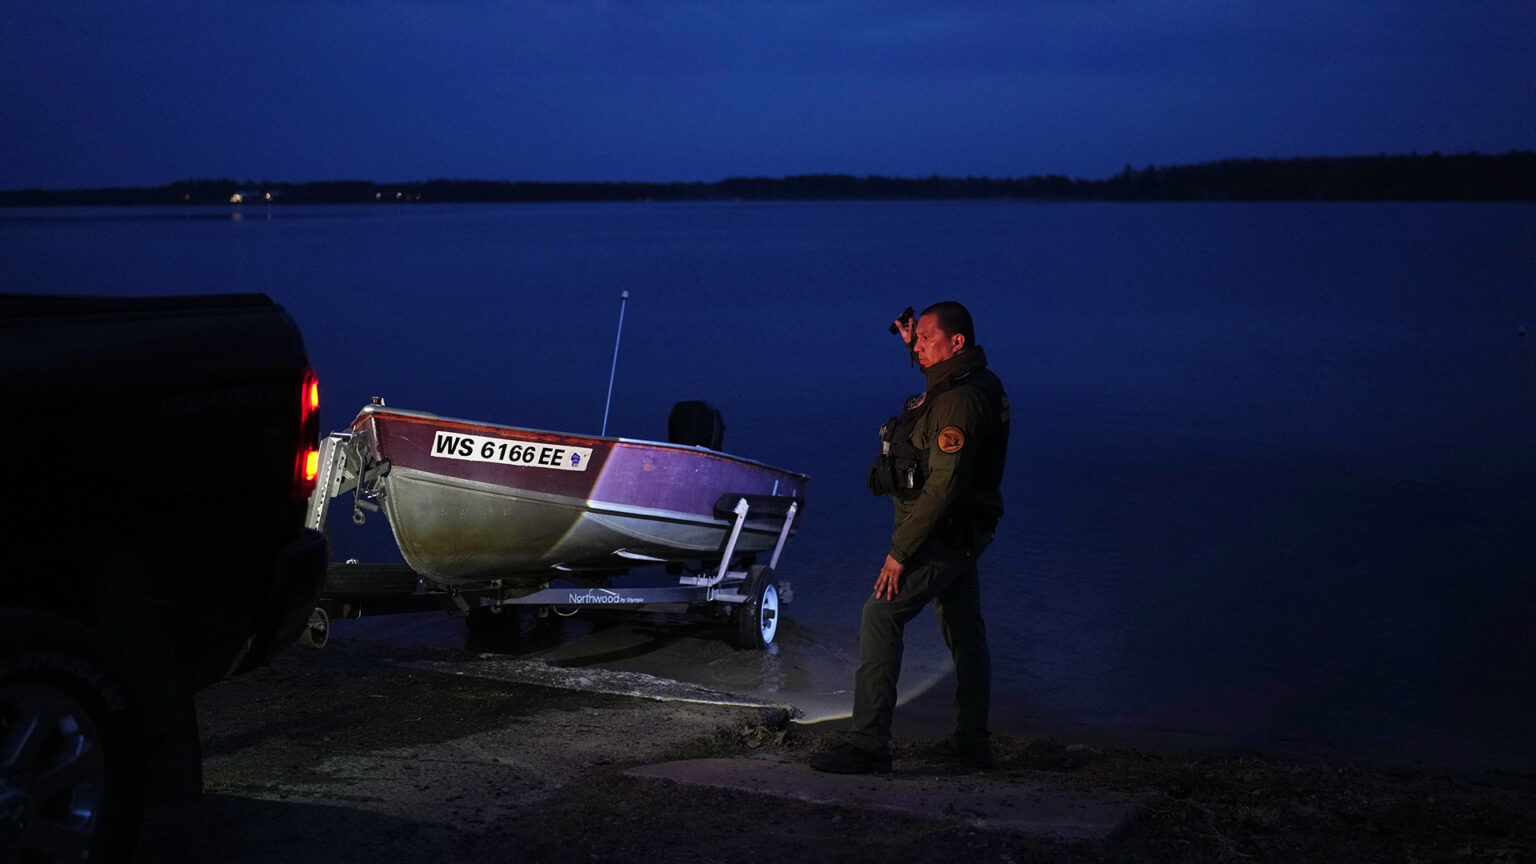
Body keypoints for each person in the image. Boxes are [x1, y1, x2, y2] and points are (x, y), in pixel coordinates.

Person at [811, 301, 1010, 774]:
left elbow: (943, 487)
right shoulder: (973, 381)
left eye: (926, 339)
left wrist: (899, 554)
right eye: (915, 339)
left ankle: (867, 745)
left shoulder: (960, 400)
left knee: (881, 614)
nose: (917, 347)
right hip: (964, 529)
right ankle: (970, 743)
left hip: (942, 532)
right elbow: (941, 391)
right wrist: (915, 349)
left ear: (956, 342)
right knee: (964, 631)